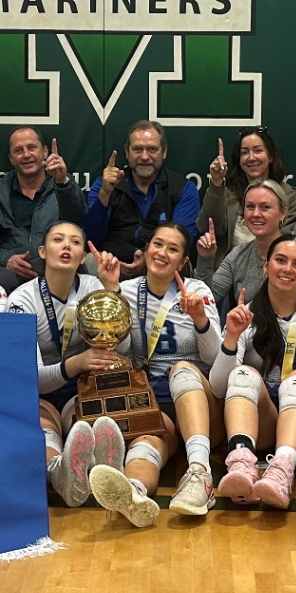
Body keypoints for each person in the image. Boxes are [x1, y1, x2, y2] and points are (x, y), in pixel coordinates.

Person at [91, 223, 221, 522]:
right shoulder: (127, 290)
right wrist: (111, 290)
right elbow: (119, 351)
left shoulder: (197, 290)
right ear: (145, 249)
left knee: (182, 369)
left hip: (197, 400)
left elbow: (214, 357)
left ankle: (201, 475)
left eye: (173, 249)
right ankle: (133, 494)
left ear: (183, 261)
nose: (162, 253)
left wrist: (200, 318)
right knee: (145, 444)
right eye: (157, 244)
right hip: (153, 400)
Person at [207, 237, 296, 510]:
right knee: (243, 373)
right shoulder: (246, 315)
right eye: (280, 260)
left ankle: (284, 471)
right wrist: (232, 336)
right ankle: (242, 461)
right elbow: (219, 388)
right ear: (266, 266)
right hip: (265, 424)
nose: (288, 269)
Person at [3, 221, 108, 508]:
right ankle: (59, 473)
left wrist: (111, 289)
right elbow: (31, 378)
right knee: (43, 424)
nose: (66, 246)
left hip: (79, 390)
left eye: (75, 242)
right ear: (42, 251)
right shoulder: (21, 300)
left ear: (82, 256)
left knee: (83, 427)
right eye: (58, 240)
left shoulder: (92, 287)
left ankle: (89, 472)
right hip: (38, 392)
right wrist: (77, 362)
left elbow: (114, 350)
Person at [84, 120, 202, 263]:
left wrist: (146, 261)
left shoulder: (183, 189)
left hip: (160, 264)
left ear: (164, 152)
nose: (145, 157)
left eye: (152, 149)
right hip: (110, 264)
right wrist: (105, 194)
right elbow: (92, 237)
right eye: (138, 149)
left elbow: (182, 243)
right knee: (90, 260)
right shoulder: (105, 184)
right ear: (127, 152)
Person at [0, 126, 86, 292]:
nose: (26, 155)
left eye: (32, 148)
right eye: (18, 150)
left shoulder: (64, 188)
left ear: (45, 152)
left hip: (59, 270)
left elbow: (78, 219)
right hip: (13, 275)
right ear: (11, 159)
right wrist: (5, 258)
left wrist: (62, 181)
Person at [199, 179, 296, 309]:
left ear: (283, 213)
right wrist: (206, 259)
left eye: (265, 207)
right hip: (248, 327)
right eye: (250, 207)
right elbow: (206, 298)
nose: (256, 214)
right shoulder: (237, 255)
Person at [200, 127, 296, 250]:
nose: (251, 158)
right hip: (228, 267)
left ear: (271, 157)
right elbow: (207, 228)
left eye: (258, 150)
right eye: (244, 152)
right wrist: (216, 183)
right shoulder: (227, 193)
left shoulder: (291, 199)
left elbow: (290, 245)